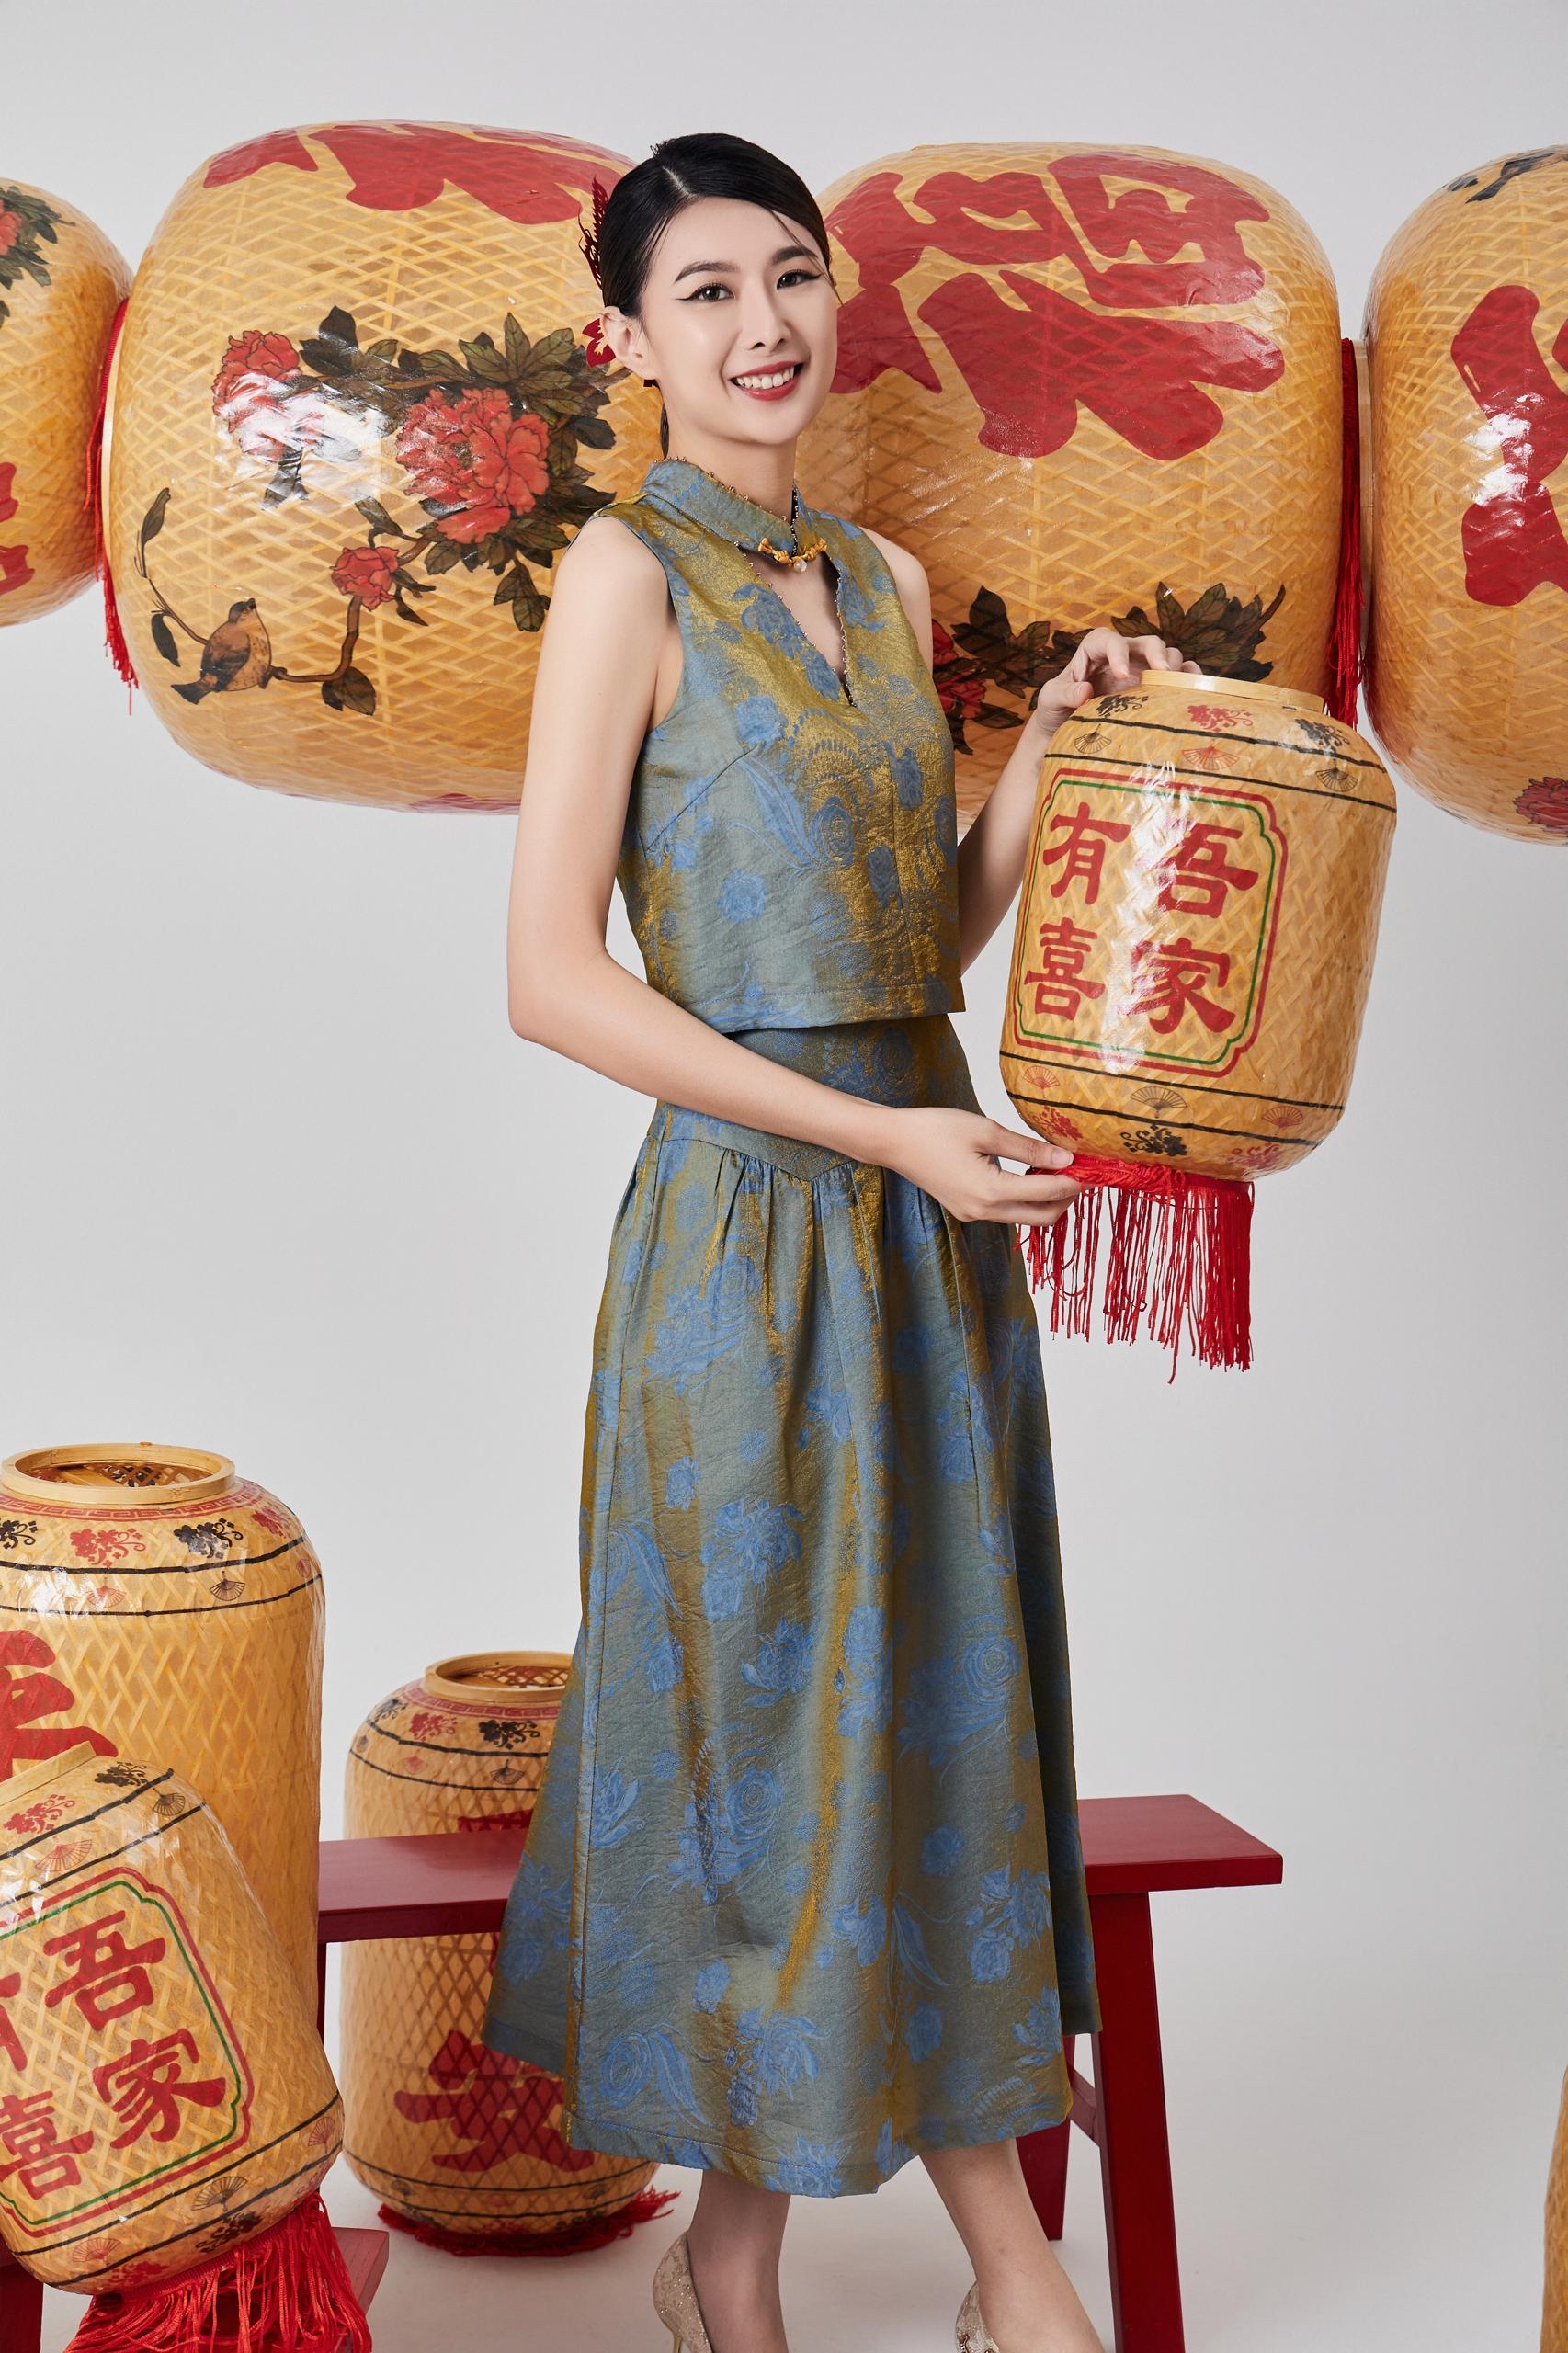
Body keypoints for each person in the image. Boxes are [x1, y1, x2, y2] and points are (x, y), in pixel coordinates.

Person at [480, 131, 1196, 2353]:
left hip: (923, 1222)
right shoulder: (624, 578)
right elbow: (549, 978)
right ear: (623, 340)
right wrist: (885, 1136)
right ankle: (871, 2255)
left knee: (939, 1704)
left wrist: (1040, 756)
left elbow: (914, 944)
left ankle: (878, 2259)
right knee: (760, 1725)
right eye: (703, 291)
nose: (761, 323)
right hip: (749, 1234)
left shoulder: (882, 580)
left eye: (788, 274)